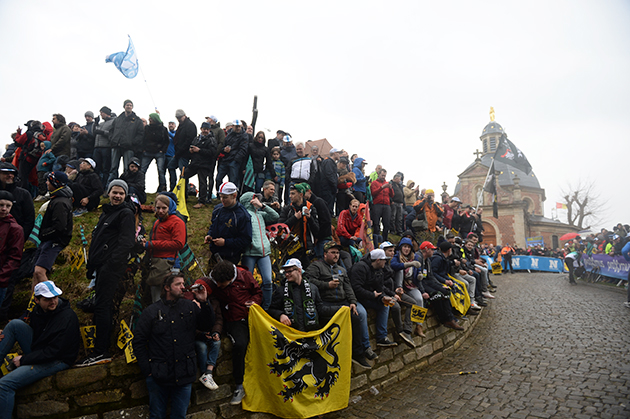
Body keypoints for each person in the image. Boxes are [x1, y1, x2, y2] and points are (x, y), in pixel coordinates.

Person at [133, 274, 214, 419]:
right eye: (178, 284)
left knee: (179, 416)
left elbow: (207, 326)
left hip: (184, 374)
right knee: (157, 416)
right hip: (159, 375)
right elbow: (138, 341)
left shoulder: (190, 306)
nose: (183, 287)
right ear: (167, 287)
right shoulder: (151, 311)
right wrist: (148, 371)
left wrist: (204, 302)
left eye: (183, 284)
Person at [0, 281, 80, 419]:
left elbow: (54, 352)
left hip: (58, 359)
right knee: (14, 325)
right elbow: (37, 339)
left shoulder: (67, 317)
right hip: (41, 351)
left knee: (4, 385)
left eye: (55, 297)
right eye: (47, 299)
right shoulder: (37, 312)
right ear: (36, 300)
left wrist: (24, 360)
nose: (53, 301)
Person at [78, 180, 135, 367]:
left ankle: (101, 350)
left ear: (125, 195)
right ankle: (99, 349)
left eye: (121, 193)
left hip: (110, 268)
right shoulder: (107, 212)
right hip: (101, 266)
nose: (117, 196)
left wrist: (110, 266)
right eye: (114, 192)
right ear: (108, 193)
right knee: (100, 306)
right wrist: (92, 267)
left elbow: (126, 243)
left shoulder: (125, 213)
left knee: (103, 307)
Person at [305, 243, 377, 368]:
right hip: (325, 303)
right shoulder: (317, 266)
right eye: (333, 252)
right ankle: (354, 354)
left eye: (337, 253)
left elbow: (348, 288)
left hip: (343, 302)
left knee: (356, 316)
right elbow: (308, 280)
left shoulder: (342, 270)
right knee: (349, 319)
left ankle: (358, 353)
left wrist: (353, 302)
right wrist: (326, 285)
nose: (336, 255)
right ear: (325, 254)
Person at [207, 260, 262, 405]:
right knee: (240, 345)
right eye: (217, 282)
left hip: (250, 317)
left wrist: (254, 302)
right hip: (232, 321)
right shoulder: (213, 279)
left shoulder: (245, 276)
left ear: (231, 279)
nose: (218, 286)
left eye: (222, 283)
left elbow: (258, 292)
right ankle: (239, 385)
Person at [268, 258, 337, 332]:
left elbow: (320, 309)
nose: (287, 274)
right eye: (285, 272)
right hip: (291, 335)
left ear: (299, 271)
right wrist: (280, 315)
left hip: (312, 333)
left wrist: (340, 309)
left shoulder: (313, 288)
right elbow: (270, 309)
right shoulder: (281, 290)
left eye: (290, 271)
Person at [349, 249, 399, 347]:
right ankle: (365, 346)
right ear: (378, 260)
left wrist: (383, 298)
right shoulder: (359, 268)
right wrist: (372, 295)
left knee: (385, 305)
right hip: (355, 299)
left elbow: (379, 288)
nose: (386, 262)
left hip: (368, 297)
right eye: (384, 260)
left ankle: (382, 337)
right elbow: (356, 288)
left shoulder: (379, 270)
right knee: (362, 313)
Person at [32, 172, 73, 287]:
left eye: (49, 181)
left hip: (54, 241)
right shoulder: (57, 198)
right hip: (48, 240)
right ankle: (35, 301)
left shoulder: (60, 202)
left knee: (39, 272)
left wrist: (43, 234)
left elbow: (59, 227)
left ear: (55, 183)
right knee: (35, 273)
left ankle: (51, 299)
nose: (46, 183)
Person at [142, 195, 186, 302]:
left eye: (164, 208)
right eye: (158, 208)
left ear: (170, 207)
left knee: (169, 296)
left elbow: (179, 243)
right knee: (156, 296)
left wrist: (152, 244)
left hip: (169, 263)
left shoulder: (177, 221)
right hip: (155, 263)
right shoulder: (158, 221)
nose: (160, 211)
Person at [239, 191, 279, 309]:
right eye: (255, 198)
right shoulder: (244, 214)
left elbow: (275, 217)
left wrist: (262, 206)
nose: (257, 199)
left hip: (264, 252)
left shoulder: (260, 214)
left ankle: (266, 308)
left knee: (268, 281)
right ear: (249, 201)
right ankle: (247, 307)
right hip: (249, 253)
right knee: (247, 283)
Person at [420, 241, 464, 330]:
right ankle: (445, 319)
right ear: (426, 250)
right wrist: (423, 291)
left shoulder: (428, 260)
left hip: (428, 281)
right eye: (432, 250)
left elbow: (431, 275)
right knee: (438, 295)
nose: (434, 251)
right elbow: (417, 278)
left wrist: (440, 285)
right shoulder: (419, 259)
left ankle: (450, 319)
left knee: (446, 291)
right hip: (421, 283)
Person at [204, 182, 252, 264]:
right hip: (215, 253)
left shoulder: (243, 215)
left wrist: (225, 242)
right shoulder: (217, 209)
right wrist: (210, 235)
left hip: (231, 256)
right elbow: (213, 225)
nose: (222, 200)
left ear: (234, 196)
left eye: (225, 197)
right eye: (221, 197)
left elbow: (246, 239)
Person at [278, 184, 319, 267]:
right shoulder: (287, 209)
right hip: (289, 247)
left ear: (301, 194)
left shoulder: (311, 208)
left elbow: (317, 231)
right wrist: (294, 218)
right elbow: (280, 227)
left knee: (307, 273)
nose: (290, 196)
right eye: (290, 194)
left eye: (293, 194)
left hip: (305, 248)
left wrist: (310, 218)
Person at [108, 100, 144, 185]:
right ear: (124, 106)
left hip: (128, 148)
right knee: (113, 168)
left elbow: (140, 134)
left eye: (130, 105)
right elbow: (111, 131)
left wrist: (132, 143)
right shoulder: (118, 119)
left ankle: (126, 186)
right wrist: (112, 140)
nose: (129, 106)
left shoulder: (137, 120)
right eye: (127, 105)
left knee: (127, 168)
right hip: (116, 145)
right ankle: (110, 186)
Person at [185, 122, 217, 209]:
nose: (205, 131)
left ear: (209, 130)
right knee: (184, 176)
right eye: (204, 129)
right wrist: (191, 151)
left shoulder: (212, 140)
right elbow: (191, 147)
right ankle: (183, 196)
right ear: (201, 129)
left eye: (207, 129)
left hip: (205, 164)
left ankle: (202, 201)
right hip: (195, 163)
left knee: (202, 182)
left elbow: (213, 153)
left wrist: (199, 150)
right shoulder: (196, 138)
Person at [0, 191, 24, 304]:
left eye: (8, 206)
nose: (4, 209)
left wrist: (2, 276)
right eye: (1, 205)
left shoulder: (15, 229)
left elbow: (15, 257)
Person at [0, 162, 35, 238]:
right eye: (6, 173)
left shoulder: (24, 194)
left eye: (12, 173)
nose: (10, 175)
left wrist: (21, 237)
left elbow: (29, 218)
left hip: (15, 237)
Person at [215, 120, 249, 190]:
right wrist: (224, 149)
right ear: (233, 126)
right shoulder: (229, 134)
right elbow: (223, 145)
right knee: (218, 179)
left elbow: (243, 149)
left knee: (233, 181)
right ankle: (220, 194)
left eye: (239, 126)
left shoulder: (244, 136)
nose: (238, 128)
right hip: (226, 159)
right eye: (236, 127)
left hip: (234, 161)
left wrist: (236, 159)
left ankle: (232, 198)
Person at [140, 113, 169, 193]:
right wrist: (143, 149)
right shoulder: (147, 128)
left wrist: (163, 150)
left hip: (159, 153)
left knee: (160, 170)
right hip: (147, 152)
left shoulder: (163, 129)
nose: (149, 120)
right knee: (142, 170)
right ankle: (140, 187)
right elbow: (143, 139)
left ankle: (162, 188)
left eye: (151, 118)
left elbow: (166, 141)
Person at [93, 106, 116, 189]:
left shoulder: (113, 122)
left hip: (106, 147)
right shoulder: (101, 123)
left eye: (102, 113)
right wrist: (95, 124)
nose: (101, 115)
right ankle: (96, 186)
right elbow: (94, 133)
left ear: (106, 113)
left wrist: (102, 132)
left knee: (106, 168)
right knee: (96, 168)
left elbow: (112, 134)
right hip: (97, 147)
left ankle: (105, 186)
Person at [370, 168, 393, 243]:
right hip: (377, 204)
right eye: (382, 175)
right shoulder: (374, 183)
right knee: (376, 222)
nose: (383, 177)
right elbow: (373, 193)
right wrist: (382, 187)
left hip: (386, 204)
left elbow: (392, 195)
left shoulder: (387, 183)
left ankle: (384, 240)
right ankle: (376, 238)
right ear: (379, 174)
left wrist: (391, 188)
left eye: (385, 175)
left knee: (386, 223)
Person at [165, 121, 178, 191]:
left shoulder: (176, 133)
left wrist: (167, 132)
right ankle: (163, 188)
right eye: (169, 124)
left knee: (172, 172)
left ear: (175, 125)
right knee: (162, 172)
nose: (170, 125)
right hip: (164, 155)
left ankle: (173, 188)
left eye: (172, 124)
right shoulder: (166, 134)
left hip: (171, 156)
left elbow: (175, 138)